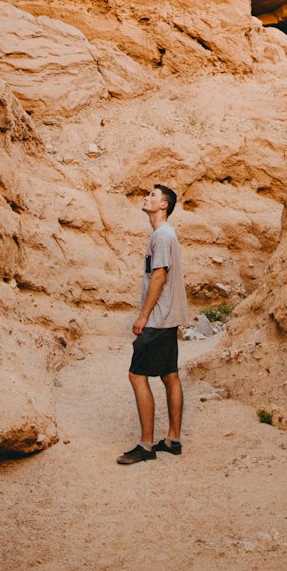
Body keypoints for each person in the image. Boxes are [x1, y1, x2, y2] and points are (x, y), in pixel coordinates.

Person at [117, 182, 189, 465]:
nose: (147, 198)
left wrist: (143, 316)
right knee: (169, 375)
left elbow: (158, 277)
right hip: (170, 318)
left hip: (158, 319)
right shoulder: (167, 235)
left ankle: (146, 446)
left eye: (153, 196)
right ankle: (173, 440)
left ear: (164, 206)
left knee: (137, 376)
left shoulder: (161, 235)